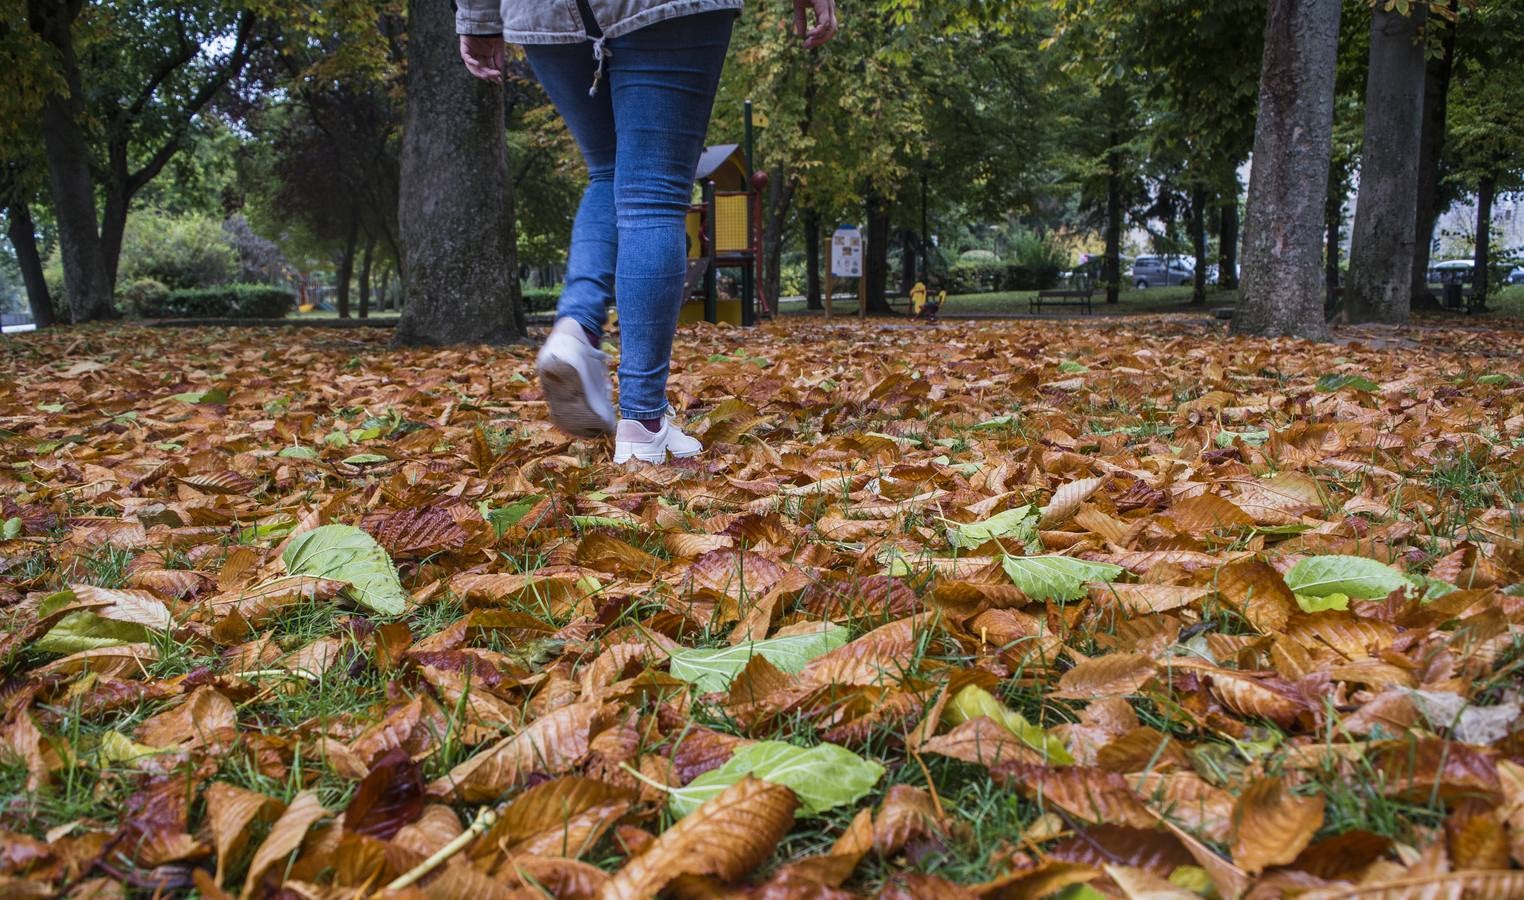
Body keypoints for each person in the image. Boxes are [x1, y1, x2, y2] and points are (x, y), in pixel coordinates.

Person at [458, 0, 839, 464]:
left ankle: (576, 327)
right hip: (665, 9)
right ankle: (643, 421)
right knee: (653, 194)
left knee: (608, 171)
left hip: (544, 12)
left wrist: (477, 19)